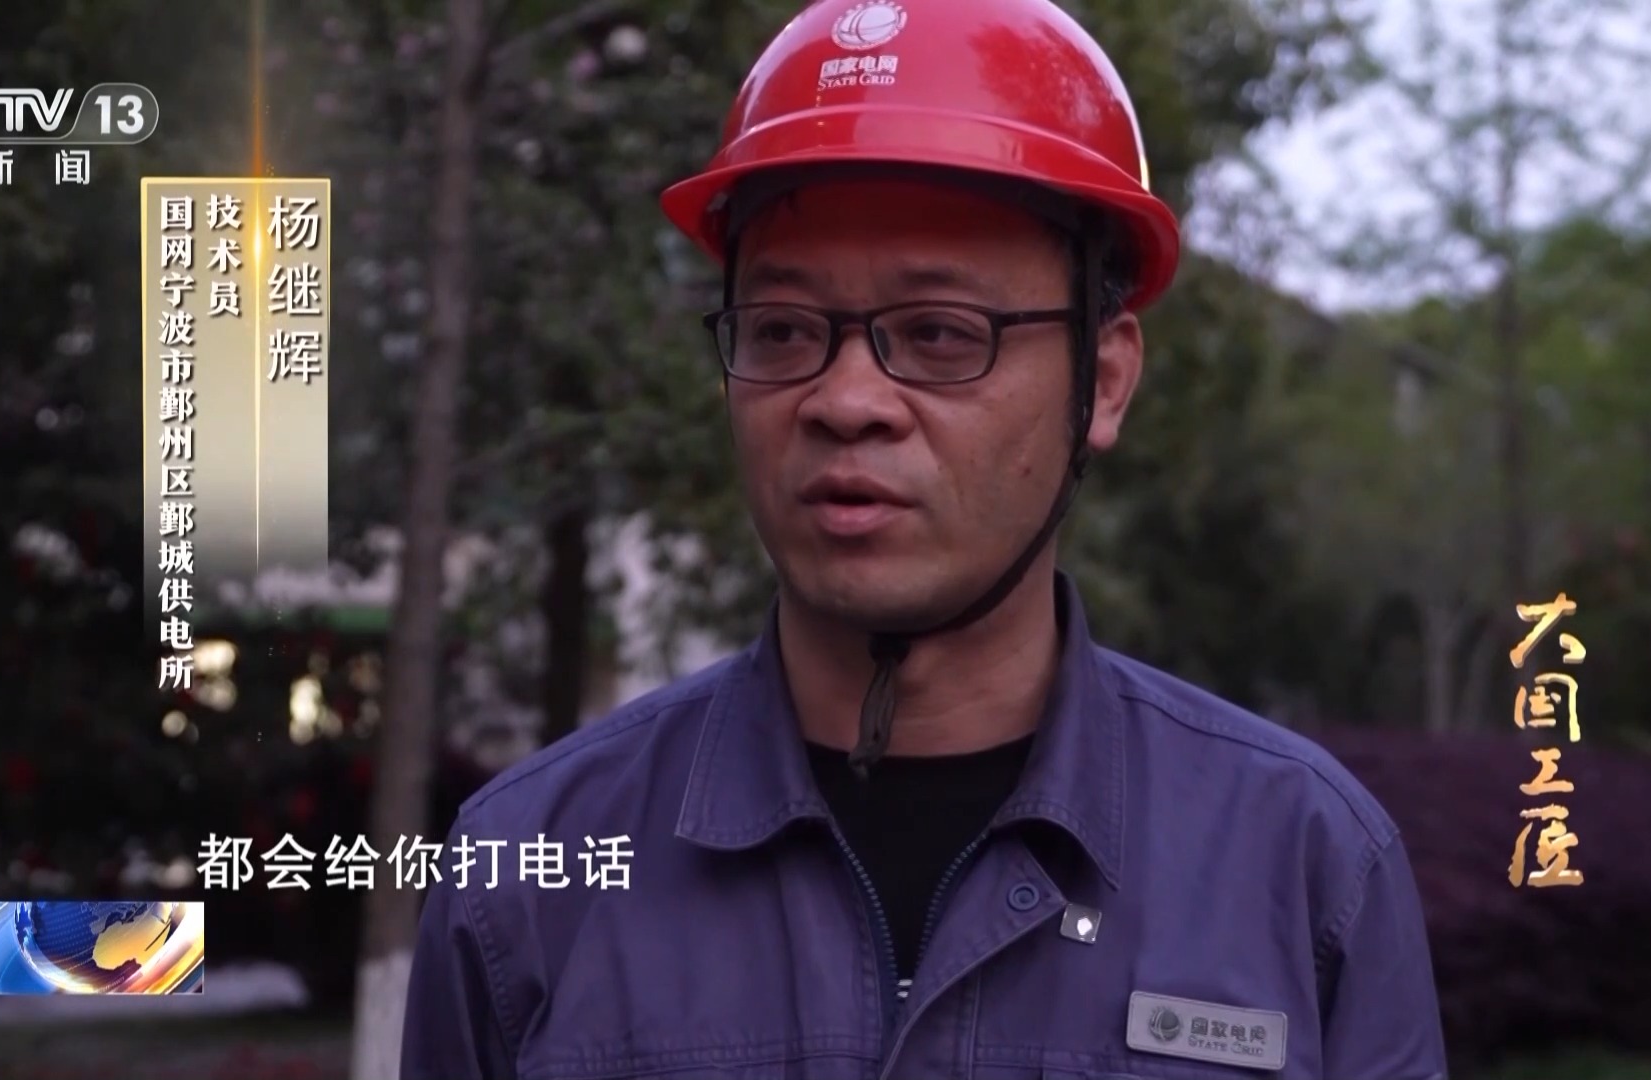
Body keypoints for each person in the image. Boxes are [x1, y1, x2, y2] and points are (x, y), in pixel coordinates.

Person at [403, 0, 1448, 1076]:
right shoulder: (528, 875)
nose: (846, 401)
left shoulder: (1302, 864)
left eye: (943, 334)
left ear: (1105, 379)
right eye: (783, 330)